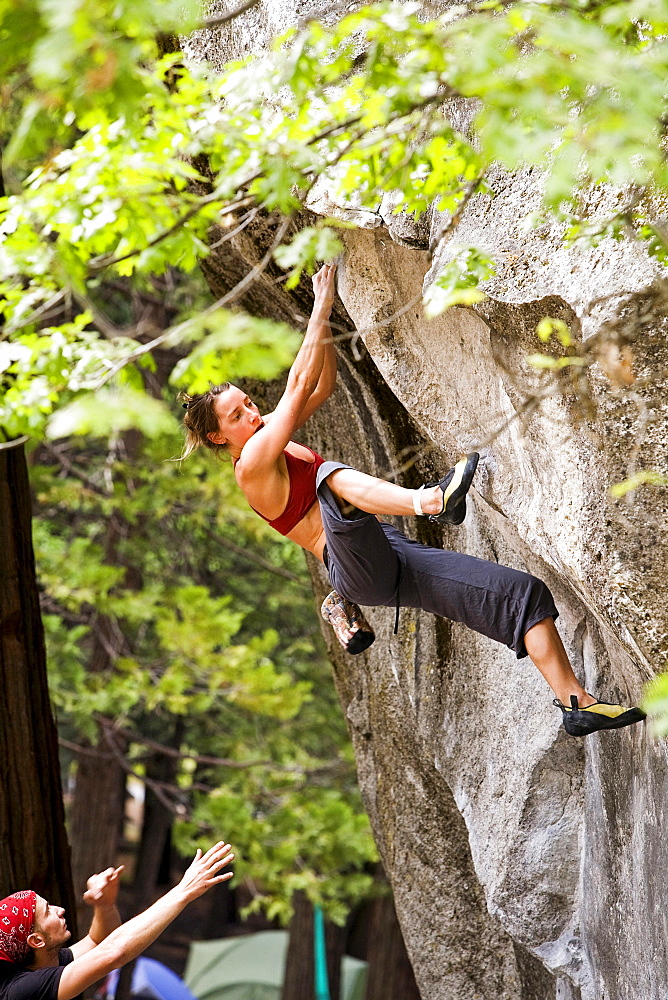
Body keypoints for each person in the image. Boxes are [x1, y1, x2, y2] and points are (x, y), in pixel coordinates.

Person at [179, 263, 645, 739]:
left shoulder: (267, 437)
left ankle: (576, 704)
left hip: (386, 556)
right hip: (352, 564)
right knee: (328, 480)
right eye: (237, 415)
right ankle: (433, 501)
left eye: (249, 403)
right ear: (219, 437)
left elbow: (318, 388)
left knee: (522, 596)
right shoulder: (252, 463)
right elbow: (297, 386)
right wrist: (320, 304)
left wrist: (331, 332)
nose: (252, 413)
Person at [0, 842, 233, 1000]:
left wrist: (105, 905)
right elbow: (112, 954)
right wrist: (183, 892)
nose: (60, 910)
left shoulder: (43, 961)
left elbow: (98, 941)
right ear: (36, 940)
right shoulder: (20, 990)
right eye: (48, 911)